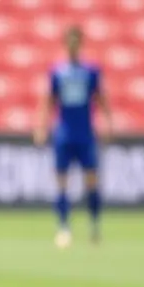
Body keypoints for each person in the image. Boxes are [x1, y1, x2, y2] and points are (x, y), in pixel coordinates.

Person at [33, 25, 113, 248]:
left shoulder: (91, 71)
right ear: (65, 44)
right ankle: (63, 227)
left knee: (91, 182)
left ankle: (94, 225)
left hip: (86, 133)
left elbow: (101, 98)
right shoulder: (58, 71)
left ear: (81, 43)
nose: (73, 46)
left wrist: (108, 122)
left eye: (76, 42)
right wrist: (41, 126)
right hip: (64, 134)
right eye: (70, 42)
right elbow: (49, 100)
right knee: (61, 183)